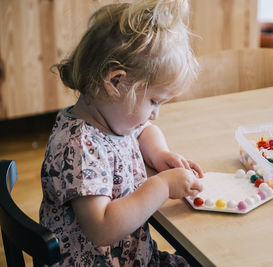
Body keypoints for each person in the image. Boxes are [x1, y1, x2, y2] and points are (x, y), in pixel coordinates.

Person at [39, 1, 204, 266]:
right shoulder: (80, 146)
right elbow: (102, 227)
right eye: (153, 101)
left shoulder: (109, 115)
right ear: (116, 82)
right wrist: (161, 186)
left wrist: (159, 153)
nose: (155, 114)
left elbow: (144, 130)